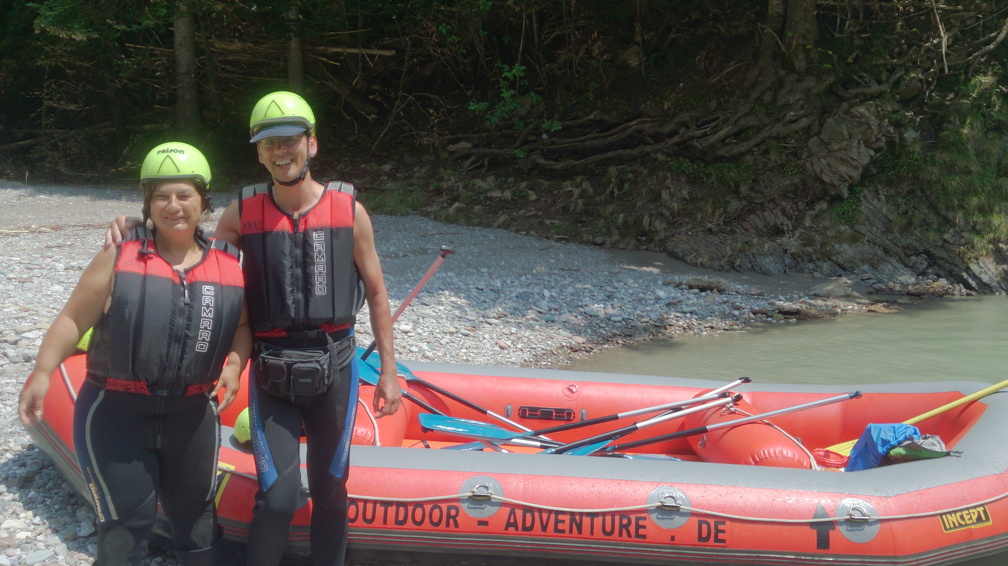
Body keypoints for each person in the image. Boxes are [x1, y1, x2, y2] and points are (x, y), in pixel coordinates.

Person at [107, 91, 403, 566]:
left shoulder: (350, 212)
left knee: (330, 489)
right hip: (272, 372)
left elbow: (378, 293)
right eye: (268, 145)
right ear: (259, 152)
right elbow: (189, 251)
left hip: (337, 370)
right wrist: (135, 228)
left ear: (312, 144)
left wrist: (389, 372)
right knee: (279, 498)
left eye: (289, 141)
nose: (279, 152)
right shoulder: (242, 213)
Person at [20, 141, 252, 566]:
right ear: (147, 202)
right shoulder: (118, 253)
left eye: (184, 195)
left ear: (204, 201)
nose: (173, 205)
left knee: (198, 523)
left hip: (192, 415)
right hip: (115, 413)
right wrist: (41, 372)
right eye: (160, 195)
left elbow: (241, 327)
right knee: (126, 527)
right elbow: (73, 319)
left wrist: (235, 363)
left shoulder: (230, 266)